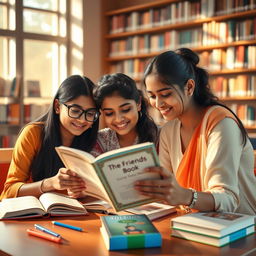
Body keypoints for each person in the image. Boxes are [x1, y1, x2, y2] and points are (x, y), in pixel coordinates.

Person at [134, 48, 256, 215]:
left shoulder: (221, 124)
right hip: (192, 222)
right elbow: (166, 189)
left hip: (239, 227)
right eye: (152, 96)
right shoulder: (168, 131)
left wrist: (184, 195)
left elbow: (228, 200)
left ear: (189, 87)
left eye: (166, 94)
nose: (158, 103)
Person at [0, 75, 100, 200]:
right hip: (38, 213)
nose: (82, 120)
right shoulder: (33, 134)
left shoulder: (96, 139)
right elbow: (9, 191)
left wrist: (85, 192)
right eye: (75, 111)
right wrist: (50, 183)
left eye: (90, 113)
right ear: (57, 106)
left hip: (79, 213)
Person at [90, 73, 159, 156]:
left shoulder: (160, 136)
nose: (118, 119)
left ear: (138, 104)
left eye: (125, 110)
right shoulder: (100, 140)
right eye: (109, 113)